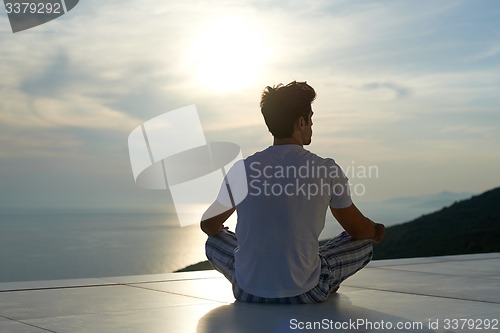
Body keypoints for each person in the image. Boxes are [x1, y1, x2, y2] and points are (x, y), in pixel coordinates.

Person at [200, 81, 385, 304]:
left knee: (213, 242)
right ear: (301, 122)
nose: (312, 126)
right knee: (362, 242)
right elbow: (357, 229)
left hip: (248, 292)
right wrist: (374, 231)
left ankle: (258, 277)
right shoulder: (325, 169)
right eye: (311, 119)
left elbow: (208, 226)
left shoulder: (243, 169)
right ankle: (326, 282)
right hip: (307, 292)